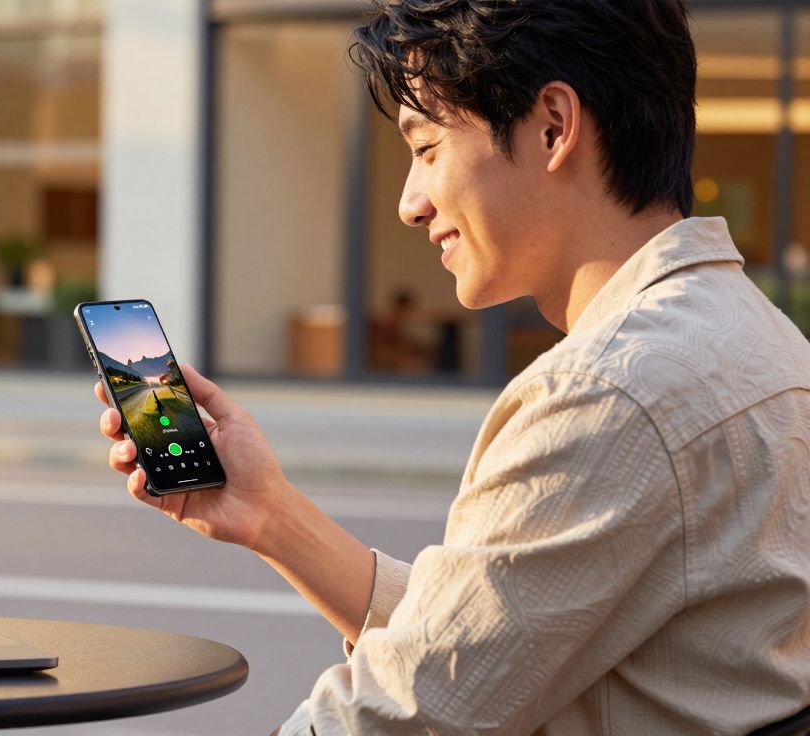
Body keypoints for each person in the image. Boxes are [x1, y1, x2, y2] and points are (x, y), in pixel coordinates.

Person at [93, 1, 810, 733]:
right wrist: (270, 515)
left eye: (427, 147)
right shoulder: (760, 339)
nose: (410, 202)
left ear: (553, 127)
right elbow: (486, 643)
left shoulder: (606, 394)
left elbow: (404, 713)